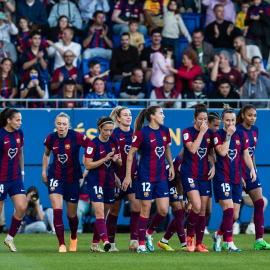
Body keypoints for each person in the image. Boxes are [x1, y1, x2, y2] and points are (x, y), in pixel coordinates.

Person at [123, 105, 175, 253]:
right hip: (145, 177)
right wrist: (128, 176)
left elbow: (167, 149)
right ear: (152, 116)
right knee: (144, 210)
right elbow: (131, 154)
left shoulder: (165, 131)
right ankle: (140, 245)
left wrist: (170, 165)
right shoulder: (142, 133)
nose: (163, 116)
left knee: (164, 211)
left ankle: (148, 234)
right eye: (161, 113)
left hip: (161, 177)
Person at [42, 112, 91, 252]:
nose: (61, 126)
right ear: (55, 125)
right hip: (55, 177)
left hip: (72, 179)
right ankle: (61, 244)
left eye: (64, 124)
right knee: (57, 211)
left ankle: (74, 238)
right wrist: (43, 172)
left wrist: (86, 158)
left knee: (72, 216)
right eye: (59, 124)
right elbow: (46, 154)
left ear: (69, 125)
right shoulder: (51, 138)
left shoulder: (77, 136)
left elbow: (92, 145)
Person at [212, 104, 256, 252]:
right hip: (222, 177)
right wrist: (229, 135)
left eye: (232, 120)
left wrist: (252, 169)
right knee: (229, 210)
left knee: (235, 215)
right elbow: (223, 152)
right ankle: (230, 244)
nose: (231, 123)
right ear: (223, 121)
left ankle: (218, 235)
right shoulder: (217, 135)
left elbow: (246, 155)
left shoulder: (242, 135)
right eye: (227, 120)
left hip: (236, 178)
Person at [180, 104, 215, 252]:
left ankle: (199, 244)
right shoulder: (188, 132)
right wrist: (201, 132)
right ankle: (190, 239)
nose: (203, 122)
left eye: (205, 119)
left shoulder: (211, 134)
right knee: (197, 205)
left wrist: (213, 166)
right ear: (194, 118)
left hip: (204, 175)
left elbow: (211, 153)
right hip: (189, 173)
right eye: (200, 119)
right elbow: (193, 149)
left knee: (202, 212)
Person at [84, 116, 122, 252]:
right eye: (106, 130)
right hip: (95, 181)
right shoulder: (93, 144)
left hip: (109, 181)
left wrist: (116, 160)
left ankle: (94, 244)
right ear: (99, 128)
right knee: (99, 213)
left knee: (104, 213)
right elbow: (87, 164)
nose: (108, 133)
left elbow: (120, 162)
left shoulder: (114, 141)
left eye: (111, 130)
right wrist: (104, 159)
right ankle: (106, 242)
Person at [235, 104, 270, 250]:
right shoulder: (236, 131)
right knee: (233, 214)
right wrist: (238, 174)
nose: (253, 118)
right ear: (243, 115)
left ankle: (259, 240)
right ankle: (222, 238)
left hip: (250, 173)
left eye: (255, 116)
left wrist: (253, 170)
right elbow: (235, 156)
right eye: (250, 115)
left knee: (260, 203)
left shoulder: (255, 130)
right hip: (236, 174)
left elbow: (251, 153)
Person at [107, 106, 141, 251]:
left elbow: (139, 156)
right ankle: (111, 243)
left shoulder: (136, 134)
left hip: (132, 178)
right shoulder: (113, 135)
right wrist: (114, 176)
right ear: (118, 118)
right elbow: (109, 159)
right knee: (114, 211)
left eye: (130, 115)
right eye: (125, 115)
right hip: (117, 178)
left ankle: (134, 241)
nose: (129, 117)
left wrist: (138, 170)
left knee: (136, 207)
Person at [0, 108, 25, 252]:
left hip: (15, 178)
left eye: (21, 120)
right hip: (1, 179)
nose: (20, 123)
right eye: (17, 120)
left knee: (21, 208)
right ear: (9, 120)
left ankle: (9, 238)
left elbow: (20, 153)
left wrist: (22, 172)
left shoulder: (19, 133)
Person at [157, 154, 187, 251]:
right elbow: (178, 182)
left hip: (176, 183)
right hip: (169, 181)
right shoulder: (181, 161)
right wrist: (182, 200)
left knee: (181, 214)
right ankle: (184, 244)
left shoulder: (191, 159)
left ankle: (164, 241)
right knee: (178, 211)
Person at [204, 111, 222, 235]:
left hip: (209, 173)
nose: (217, 129)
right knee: (194, 207)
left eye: (218, 126)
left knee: (208, 210)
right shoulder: (201, 135)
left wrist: (214, 166)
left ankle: (203, 227)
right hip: (195, 174)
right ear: (207, 123)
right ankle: (189, 229)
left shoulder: (217, 137)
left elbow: (213, 154)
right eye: (215, 126)